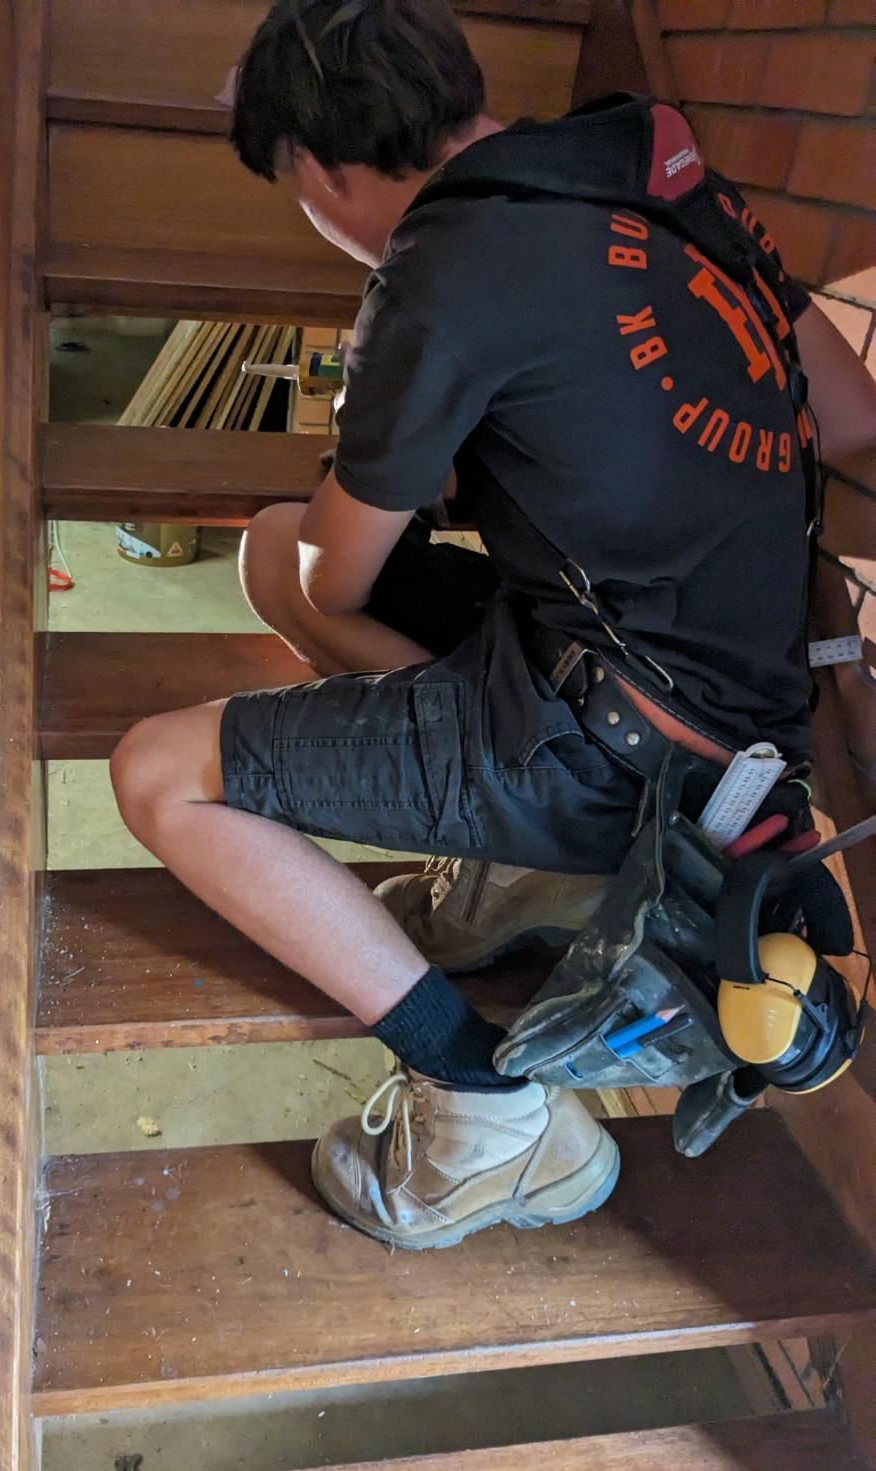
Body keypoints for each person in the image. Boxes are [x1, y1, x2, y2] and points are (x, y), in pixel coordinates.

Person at [110, 0, 876, 1248]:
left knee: (158, 774)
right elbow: (843, 421)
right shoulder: (661, 171)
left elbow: (337, 579)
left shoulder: (444, 268)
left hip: (618, 741)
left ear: (323, 167)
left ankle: (484, 1114)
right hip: (732, 701)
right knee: (262, 547)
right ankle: (513, 854)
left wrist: (415, 413)